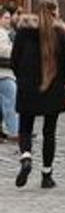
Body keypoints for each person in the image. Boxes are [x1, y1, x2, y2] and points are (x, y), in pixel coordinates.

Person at [12, 1, 65, 189]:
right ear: (54, 13)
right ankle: (47, 174)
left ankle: (26, 157)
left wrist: (23, 78)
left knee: (25, 127)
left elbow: (15, 60)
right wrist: (60, 81)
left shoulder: (23, 33)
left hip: (27, 87)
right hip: (52, 89)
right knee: (49, 133)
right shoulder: (61, 35)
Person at [0, 9, 16, 141]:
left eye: (9, 17)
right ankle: (14, 131)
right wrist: (16, 49)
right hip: (4, 73)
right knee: (11, 102)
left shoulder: (7, 33)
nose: (8, 20)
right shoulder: (1, 33)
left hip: (6, 73)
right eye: (5, 17)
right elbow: (3, 50)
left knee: (4, 104)